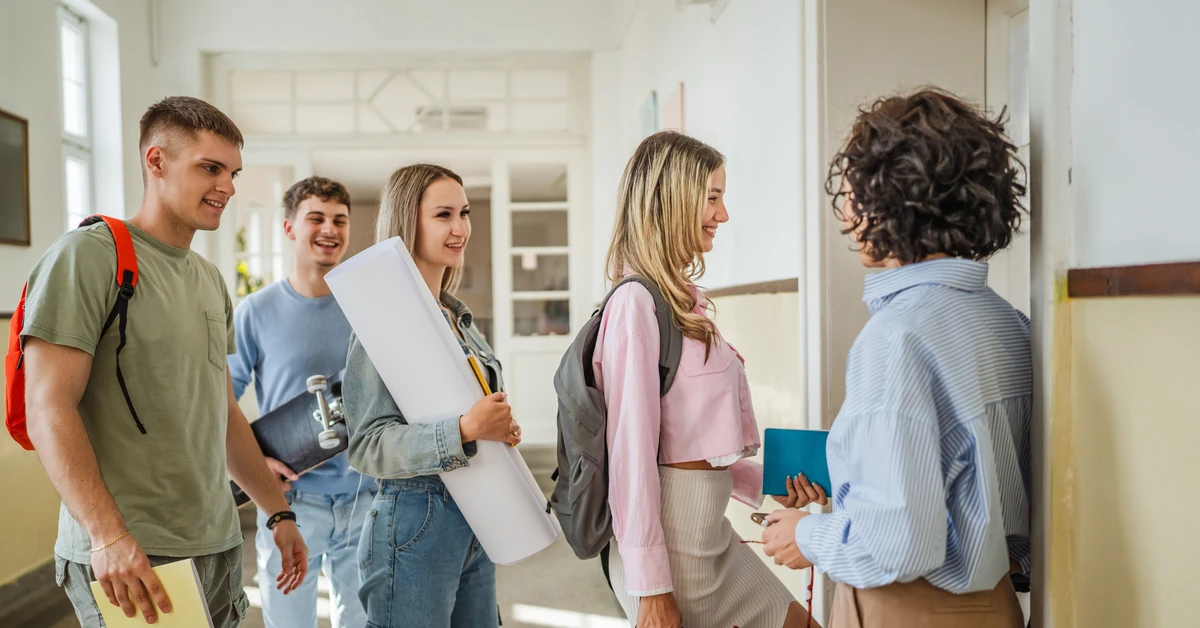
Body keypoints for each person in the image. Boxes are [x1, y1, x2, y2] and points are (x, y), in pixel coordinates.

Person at [21, 96, 307, 628]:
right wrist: (108, 535)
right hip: (134, 554)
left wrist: (277, 511)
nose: (228, 187)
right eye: (210, 168)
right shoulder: (89, 255)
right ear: (157, 161)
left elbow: (222, 413)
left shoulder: (208, 279)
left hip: (216, 544)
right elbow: (47, 407)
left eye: (233, 173)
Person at [762, 88, 1031, 628]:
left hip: (906, 608)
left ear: (891, 200)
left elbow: (898, 546)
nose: (845, 210)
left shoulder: (895, 338)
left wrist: (806, 534)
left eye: (853, 191)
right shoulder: (1010, 324)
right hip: (998, 605)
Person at [595, 130, 816, 628]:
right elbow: (631, 456)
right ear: (673, 201)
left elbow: (690, 445)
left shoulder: (680, 300)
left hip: (709, 534)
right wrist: (651, 589)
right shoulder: (635, 304)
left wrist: (770, 484)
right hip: (675, 550)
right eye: (712, 198)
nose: (723, 214)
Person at [342, 164, 521, 627]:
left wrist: (497, 427)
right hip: (415, 520)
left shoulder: (459, 318)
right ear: (408, 222)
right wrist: (464, 429)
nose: (460, 228)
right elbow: (367, 445)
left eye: (464, 213)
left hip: (474, 516)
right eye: (444, 215)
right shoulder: (382, 319)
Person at [229, 176, 372, 628]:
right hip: (290, 501)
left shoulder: (368, 308)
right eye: (316, 218)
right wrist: (253, 464)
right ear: (289, 227)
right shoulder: (255, 311)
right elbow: (220, 402)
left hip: (364, 495)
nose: (329, 229)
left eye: (339, 220)